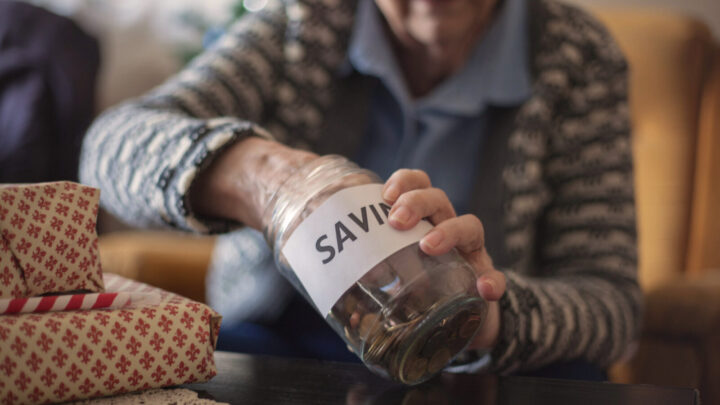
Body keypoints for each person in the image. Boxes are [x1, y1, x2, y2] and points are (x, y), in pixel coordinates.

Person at [80, 0, 640, 378]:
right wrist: (271, 178)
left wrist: (486, 314)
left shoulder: (575, 56)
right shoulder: (308, 20)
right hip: (278, 341)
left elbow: (614, 307)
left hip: (474, 363)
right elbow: (107, 151)